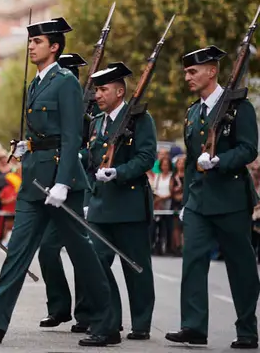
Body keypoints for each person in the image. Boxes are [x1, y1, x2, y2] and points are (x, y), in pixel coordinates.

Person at [0, 17, 117, 347]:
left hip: (60, 181)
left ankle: (107, 323)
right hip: (33, 180)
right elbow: (43, 134)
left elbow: (71, 136)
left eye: (37, 42)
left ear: (54, 46)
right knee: (17, 252)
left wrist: (62, 182)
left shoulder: (66, 82)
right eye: (30, 42)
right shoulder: (36, 83)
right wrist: (27, 146)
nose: (31, 46)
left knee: (82, 254)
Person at [165, 45, 260, 349]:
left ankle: (247, 328)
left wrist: (221, 160)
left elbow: (249, 149)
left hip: (231, 198)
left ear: (212, 71)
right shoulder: (193, 113)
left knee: (240, 265)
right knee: (192, 260)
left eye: (192, 71)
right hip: (198, 201)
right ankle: (193, 326)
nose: (187, 77)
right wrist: (185, 203)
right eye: (186, 72)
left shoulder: (238, 107)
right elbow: (193, 159)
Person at [82, 62, 156, 341]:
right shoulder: (97, 122)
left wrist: (119, 172)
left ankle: (141, 322)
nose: (97, 95)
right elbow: (90, 164)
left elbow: (147, 156)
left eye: (102, 90)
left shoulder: (139, 119)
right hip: (101, 207)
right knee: (97, 261)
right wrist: (88, 196)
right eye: (96, 90)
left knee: (135, 266)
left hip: (129, 204)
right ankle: (107, 321)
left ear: (119, 91)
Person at [35, 52, 91, 333]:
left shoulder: (89, 113)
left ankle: (86, 313)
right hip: (52, 182)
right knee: (47, 250)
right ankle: (58, 307)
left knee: (81, 252)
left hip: (78, 185)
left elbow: (87, 149)